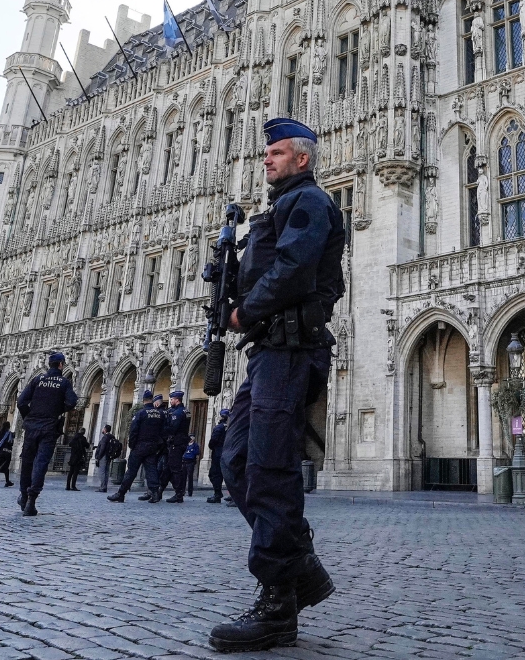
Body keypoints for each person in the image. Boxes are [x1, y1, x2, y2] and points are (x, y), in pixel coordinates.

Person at [209, 118, 345, 653]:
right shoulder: (281, 207)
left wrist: (246, 310)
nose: (267, 158)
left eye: (278, 151)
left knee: (269, 467)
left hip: (291, 349)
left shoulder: (310, 203)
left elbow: (292, 269)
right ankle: (300, 568)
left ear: (303, 158)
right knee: (237, 461)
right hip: (269, 351)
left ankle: (277, 604)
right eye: (266, 151)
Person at [15, 351, 78, 516]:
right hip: (49, 427)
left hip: (32, 426)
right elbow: (72, 402)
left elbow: (21, 402)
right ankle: (31, 500)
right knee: (41, 464)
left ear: (49, 365)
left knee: (27, 462)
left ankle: (23, 496)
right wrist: (57, 410)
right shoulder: (64, 383)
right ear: (61, 365)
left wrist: (28, 416)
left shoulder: (37, 380)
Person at [108, 390, 165, 502]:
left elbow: (133, 431)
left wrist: (132, 445)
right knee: (151, 470)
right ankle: (154, 493)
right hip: (152, 446)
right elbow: (163, 431)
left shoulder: (141, 413)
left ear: (143, 400)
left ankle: (121, 493)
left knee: (131, 471)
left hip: (140, 446)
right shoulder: (160, 414)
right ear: (152, 399)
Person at [163, 390, 191, 503]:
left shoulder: (177, 413)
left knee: (175, 469)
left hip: (176, 443)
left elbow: (172, 429)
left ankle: (179, 493)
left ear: (177, 400)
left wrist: (163, 428)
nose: (171, 401)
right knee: (170, 468)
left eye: (172, 399)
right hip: (182, 441)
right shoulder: (186, 411)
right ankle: (160, 490)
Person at [206, 409, 229, 503]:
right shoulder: (231, 427)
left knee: (214, 474)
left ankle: (217, 494)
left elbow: (213, 441)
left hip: (218, 453)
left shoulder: (219, 427)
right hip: (229, 452)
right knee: (228, 475)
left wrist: (212, 447)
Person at [65, 426, 91, 491]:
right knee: (75, 472)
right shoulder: (83, 438)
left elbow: (70, 444)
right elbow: (87, 446)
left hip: (73, 456)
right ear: (84, 432)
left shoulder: (74, 438)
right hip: (79, 457)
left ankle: (67, 486)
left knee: (71, 472)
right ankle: (73, 486)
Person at [92, 424, 116, 492]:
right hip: (109, 456)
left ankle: (103, 487)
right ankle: (104, 486)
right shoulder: (112, 437)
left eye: (103, 429)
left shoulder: (105, 437)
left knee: (101, 472)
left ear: (105, 429)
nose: (102, 430)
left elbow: (102, 448)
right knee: (106, 471)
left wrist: (98, 457)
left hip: (103, 456)